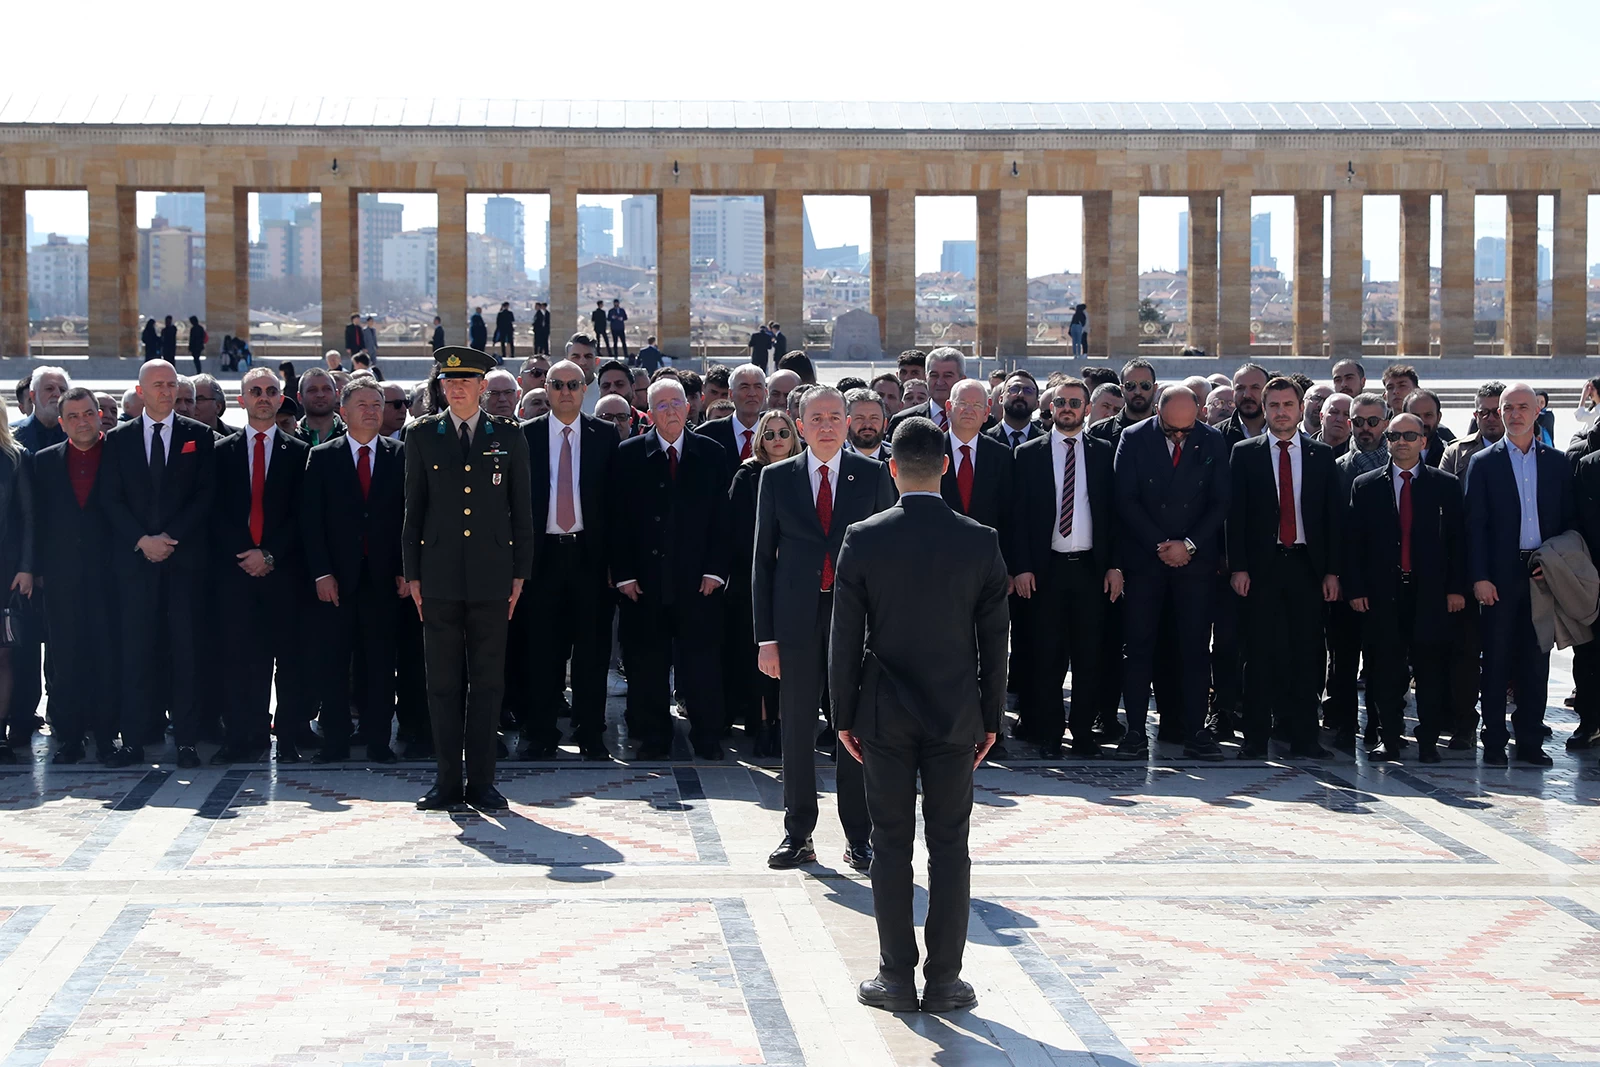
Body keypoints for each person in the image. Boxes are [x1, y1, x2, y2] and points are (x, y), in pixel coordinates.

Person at [831, 416, 1008, 1016]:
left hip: (883, 711)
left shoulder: (864, 535)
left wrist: (843, 714)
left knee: (890, 843)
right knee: (950, 845)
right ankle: (946, 979)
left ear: (891, 468)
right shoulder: (980, 539)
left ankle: (896, 976)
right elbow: (995, 642)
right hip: (956, 710)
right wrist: (991, 717)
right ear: (948, 468)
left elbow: (844, 637)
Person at [755, 386, 895, 872]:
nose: (828, 425)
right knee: (795, 729)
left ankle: (860, 837)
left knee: (851, 728)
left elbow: (888, 557)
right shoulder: (776, 478)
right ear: (800, 423)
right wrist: (765, 637)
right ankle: (798, 833)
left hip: (854, 621)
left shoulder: (875, 475)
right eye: (817, 417)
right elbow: (762, 564)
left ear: (850, 420)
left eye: (837, 416)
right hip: (795, 623)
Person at [403, 346, 535, 811]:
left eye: (467, 381)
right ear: (441, 387)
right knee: (441, 682)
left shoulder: (509, 435)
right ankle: (446, 781)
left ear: (483, 387)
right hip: (438, 576)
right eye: (449, 381)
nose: (457, 388)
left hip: (491, 576)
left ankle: (482, 781)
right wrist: (412, 573)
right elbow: (413, 511)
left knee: (487, 682)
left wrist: (520, 573)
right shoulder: (421, 435)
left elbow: (522, 512)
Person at [97, 359, 216, 768]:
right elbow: (110, 499)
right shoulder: (117, 439)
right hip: (135, 565)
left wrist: (169, 539)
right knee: (136, 653)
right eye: (158, 385)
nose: (166, 391)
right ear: (141, 390)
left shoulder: (199, 436)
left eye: (171, 384)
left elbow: (205, 496)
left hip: (184, 565)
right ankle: (133, 740)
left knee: (185, 654)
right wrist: (142, 540)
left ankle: (186, 740)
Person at [608, 376, 732, 761]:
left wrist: (716, 570)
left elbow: (723, 519)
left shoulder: (711, 453)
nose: (671, 411)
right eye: (661, 405)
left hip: (699, 582)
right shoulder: (629, 455)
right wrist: (624, 573)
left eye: (677, 403)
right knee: (646, 663)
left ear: (689, 407)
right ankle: (652, 735)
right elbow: (617, 521)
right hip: (644, 582)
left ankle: (709, 735)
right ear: (650, 412)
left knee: (702, 663)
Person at [1227, 377, 1342, 760]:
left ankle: (1305, 737)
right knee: (1259, 655)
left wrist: (1331, 571)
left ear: (1299, 408)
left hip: (1307, 567)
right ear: (1265, 408)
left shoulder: (1320, 455)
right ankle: (1255, 739)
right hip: (1262, 568)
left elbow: (1330, 517)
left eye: (1287, 405)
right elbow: (1236, 517)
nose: (1280, 412)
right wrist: (1238, 567)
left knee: (1308, 654)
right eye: (1273, 405)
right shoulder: (1245, 453)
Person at [1113, 385, 1229, 761]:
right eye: (1172, 430)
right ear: (1159, 412)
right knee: (1139, 647)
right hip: (1147, 560)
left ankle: (1195, 730)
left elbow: (1220, 501)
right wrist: (1161, 544)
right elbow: (1125, 498)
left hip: (1194, 562)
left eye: (1186, 430)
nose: (1180, 436)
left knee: (1195, 649)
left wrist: (1189, 545)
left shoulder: (1211, 440)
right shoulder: (1133, 438)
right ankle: (1134, 732)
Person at [1346, 412, 1466, 764]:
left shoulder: (1444, 485)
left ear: (1424, 441)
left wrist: (1456, 588)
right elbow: (1354, 542)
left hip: (1429, 593)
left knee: (1430, 670)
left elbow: (1457, 542)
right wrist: (1356, 589)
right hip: (1384, 593)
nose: (1402, 442)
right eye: (1395, 436)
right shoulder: (1366, 485)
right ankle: (1389, 738)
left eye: (1410, 436)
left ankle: (1428, 741)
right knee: (1385, 670)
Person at [1465, 382, 1575, 766]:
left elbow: (1566, 523)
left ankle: (1529, 739)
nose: (1513, 414)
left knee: (1535, 660)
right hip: (1498, 574)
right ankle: (1494, 740)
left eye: (1521, 407)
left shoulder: (1557, 463)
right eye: (1506, 408)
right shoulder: (1484, 462)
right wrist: (1479, 576)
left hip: (1542, 573)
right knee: (1495, 659)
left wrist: (1557, 569)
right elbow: (1474, 525)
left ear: (1537, 411)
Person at [1010, 377, 1119, 757]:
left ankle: (1084, 731)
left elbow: (1114, 515)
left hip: (1090, 568)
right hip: (1046, 570)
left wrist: (1115, 566)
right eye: (1061, 402)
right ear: (1050, 408)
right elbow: (1017, 517)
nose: (1068, 408)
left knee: (1090, 656)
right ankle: (1050, 732)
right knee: (1047, 656)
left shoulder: (1105, 452)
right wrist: (1021, 566)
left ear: (1088, 409)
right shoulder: (1029, 454)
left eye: (1075, 402)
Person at [516, 359, 619, 761]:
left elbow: (618, 506)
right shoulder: (525, 436)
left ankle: (591, 732)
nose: (564, 392)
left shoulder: (605, 435)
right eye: (557, 384)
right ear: (546, 388)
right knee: (542, 651)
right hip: (541, 560)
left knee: (592, 653)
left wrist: (616, 564)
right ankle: (540, 733)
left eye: (573, 385)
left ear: (585, 389)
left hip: (589, 560)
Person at [303, 376, 407, 764]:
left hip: (383, 578)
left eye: (377, 404)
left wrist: (403, 569)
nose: (371, 411)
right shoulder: (323, 456)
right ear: (343, 412)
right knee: (332, 662)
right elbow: (310, 522)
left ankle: (379, 740)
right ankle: (334, 741)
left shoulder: (400, 455)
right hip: (336, 580)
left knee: (380, 663)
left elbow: (408, 518)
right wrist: (321, 573)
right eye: (362, 404)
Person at [209, 366, 311, 763]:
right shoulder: (221, 451)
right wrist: (246, 554)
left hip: (283, 574)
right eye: (256, 391)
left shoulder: (299, 452)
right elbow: (215, 512)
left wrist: (269, 554)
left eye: (271, 391)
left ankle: (286, 738)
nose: (264, 397)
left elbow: (302, 516)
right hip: (235, 574)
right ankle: (242, 736)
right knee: (238, 659)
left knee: (287, 660)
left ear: (281, 398)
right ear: (242, 399)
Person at [29, 388, 114, 763]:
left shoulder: (119, 455)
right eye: (74, 416)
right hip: (61, 579)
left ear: (100, 416)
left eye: (89, 413)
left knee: (107, 656)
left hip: (110, 576)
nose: (83, 421)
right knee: (64, 660)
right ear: (62, 423)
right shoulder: (44, 462)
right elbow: (35, 520)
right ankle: (69, 737)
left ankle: (108, 735)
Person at [728, 409, 799, 758]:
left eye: (783, 433)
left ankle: (788, 725)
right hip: (755, 578)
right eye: (768, 434)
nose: (776, 440)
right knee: (760, 660)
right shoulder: (747, 474)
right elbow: (738, 529)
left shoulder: (803, 471)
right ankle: (763, 726)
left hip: (796, 580)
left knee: (794, 660)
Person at [1326, 391, 1390, 747]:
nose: (1365, 429)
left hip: (1384, 581)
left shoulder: (1397, 468)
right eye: (1359, 422)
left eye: (1373, 421)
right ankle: (1344, 724)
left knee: (1382, 659)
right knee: (1343, 659)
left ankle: (1380, 726)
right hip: (1345, 581)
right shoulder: (1336, 468)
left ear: (1385, 422)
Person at [940, 379, 1013, 547]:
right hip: (939, 555)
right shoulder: (930, 452)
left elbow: (1009, 514)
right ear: (949, 408)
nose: (969, 410)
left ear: (986, 413)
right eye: (963, 403)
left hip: (987, 556)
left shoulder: (1001, 455)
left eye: (977, 405)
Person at [0, 406, 33, 762]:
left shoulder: (14, 458)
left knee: (3, 654)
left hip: (4, 570)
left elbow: (28, 518)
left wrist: (26, 567)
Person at [697, 364, 766, 462]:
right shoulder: (707, 434)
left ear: (766, 393)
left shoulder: (778, 433)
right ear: (731, 394)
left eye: (758, 387)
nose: (752, 393)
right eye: (744, 387)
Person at [889, 348, 967, 432]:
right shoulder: (902, 421)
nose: (940, 382)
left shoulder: (978, 420)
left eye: (947, 376)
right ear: (926, 378)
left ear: (962, 380)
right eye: (934, 375)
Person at [13, 366, 69, 453]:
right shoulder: (11, 434)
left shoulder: (78, 433)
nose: (57, 394)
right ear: (33, 396)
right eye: (49, 389)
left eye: (62, 390)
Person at [988, 370, 1042, 448]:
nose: (1020, 394)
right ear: (1001, 399)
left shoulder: (1048, 444)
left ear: (1037, 404)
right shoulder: (983, 441)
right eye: (1014, 389)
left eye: (1028, 391)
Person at [1217, 362, 1268, 445]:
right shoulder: (1217, 436)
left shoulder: (1282, 432)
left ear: (1267, 392)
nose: (1247, 395)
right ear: (1233, 393)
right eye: (1240, 388)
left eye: (1255, 388)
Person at [296, 368, 346, 445]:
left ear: (336, 395)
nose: (320, 395)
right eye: (312, 390)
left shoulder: (351, 436)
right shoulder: (290, 436)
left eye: (326, 389)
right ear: (299, 397)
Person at [845, 388, 892, 462]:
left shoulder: (901, 462)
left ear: (885, 424)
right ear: (847, 423)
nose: (867, 425)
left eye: (874, 418)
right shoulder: (838, 463)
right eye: (859, 418)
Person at [1317, 393, 1352, 457]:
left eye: (1347, 414)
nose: (1340, 419)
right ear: (1322, 417)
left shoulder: (1360, 457)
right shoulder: (1302, 451)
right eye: (1334, 412)